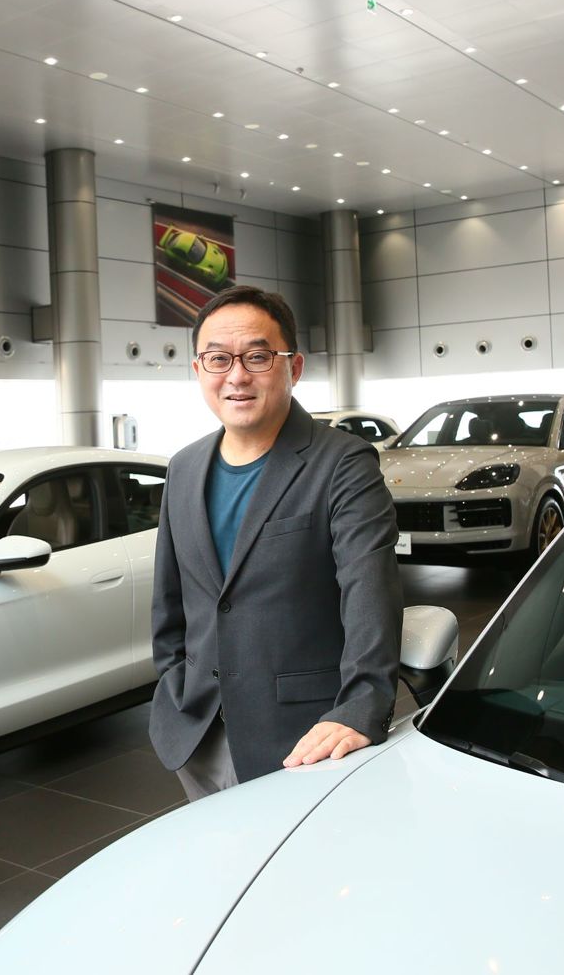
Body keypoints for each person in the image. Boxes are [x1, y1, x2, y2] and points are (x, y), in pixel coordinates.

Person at [149, 285, 404, 800]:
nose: (237, 376)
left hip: (304, 738)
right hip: (197, 731)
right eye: (218, 358)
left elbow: (369, 591)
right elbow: (171, 600)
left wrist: (361, 706)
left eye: (257, 356)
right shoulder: (184, 466)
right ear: (198, 369)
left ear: (294, 367)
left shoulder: (343, 463)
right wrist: (174, 682)